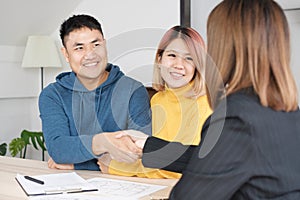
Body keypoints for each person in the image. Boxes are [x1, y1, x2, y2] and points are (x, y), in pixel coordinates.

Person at [122, 0, 300, 199]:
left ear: (225, 47)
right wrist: (148, 146)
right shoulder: (289, 113)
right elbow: (214, 159)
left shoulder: (236, 119)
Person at [38, 14, 151, 171]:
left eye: (96, 44)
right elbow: (58, 149)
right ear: (66, 54)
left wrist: (77, 163)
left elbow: (138, 151)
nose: (90, 54)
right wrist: (102, 143)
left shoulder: (133, 90)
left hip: (121, 186)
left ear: (104, 45)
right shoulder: (52, 95)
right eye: (79, 48)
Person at [97, 26, 212, 178]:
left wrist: (116, 168)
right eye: (172, 55)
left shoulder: (205, 103)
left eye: (189, 58)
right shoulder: (158, 99)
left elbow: (178, 167)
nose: (179, 65)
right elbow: (153, 155)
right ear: (159, 59)